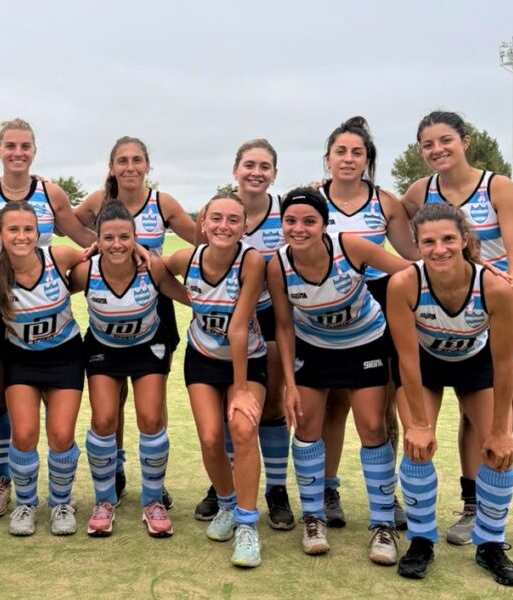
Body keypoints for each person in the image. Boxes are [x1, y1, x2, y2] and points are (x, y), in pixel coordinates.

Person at [402, 111, 513, 556]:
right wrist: (324, 190)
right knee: (470, 415)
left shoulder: (497, 187)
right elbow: (385, 207)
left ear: (465, 141)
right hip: (454, 316)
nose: (437, 150)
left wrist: (500, 291)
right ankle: (472, 506)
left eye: (445, 140)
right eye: (428, 144)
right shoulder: (421, 191)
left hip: (505, 307)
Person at [0, 118, 96, 520]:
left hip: (43, 300)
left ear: (34, 150)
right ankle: (2, 483)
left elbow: (81, 238)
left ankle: (57, 494)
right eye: (10, 146)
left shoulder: (51, 192)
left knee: (51, 416)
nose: (18, 152)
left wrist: (123, 248)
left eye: (25, 146)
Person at [266, 188, 412, 563]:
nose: (299, 228)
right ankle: (314, 519)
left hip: (365, 343)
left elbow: (408, 272)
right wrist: (289, 384)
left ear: (324, 224)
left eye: (309, 221)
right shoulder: (278, 264)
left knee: (373, 427)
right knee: (307, 428)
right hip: (314, 348)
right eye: (290, 221)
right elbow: (284, 326)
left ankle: (383, 524)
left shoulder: (350, 246)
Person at [388, 202, 513, 586]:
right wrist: (418, 424)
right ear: (417, 245)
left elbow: (504, 365)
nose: (439, 249)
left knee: (498, 451)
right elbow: (407, 360)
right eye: (428, 242)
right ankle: (421, 540)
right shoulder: (404, 284)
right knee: (417, 446)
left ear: (464, 239)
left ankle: (490, 544)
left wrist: (501, 429)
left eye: (448, 239)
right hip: (425, 365)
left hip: (475, 365)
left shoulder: (494, 287)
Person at [75, 136, 195, 506]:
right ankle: (116, 465)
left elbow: (201, 239)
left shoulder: (162, 202)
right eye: (123, 161)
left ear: (147, 166)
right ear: (112, 167)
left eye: (137, 160)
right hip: (109, 299)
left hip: (153, 301)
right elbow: (66, 224)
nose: (130, 167)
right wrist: (98, 245)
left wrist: (152, 257)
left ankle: (155, 478)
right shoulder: (98, 201)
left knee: (151, 397)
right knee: (112, 398)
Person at [317, 117, 417, 531]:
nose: (348, 158)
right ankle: (327, 490)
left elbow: (411, 257)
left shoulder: (385, 203)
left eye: (357, 152)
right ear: (328, 158)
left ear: (368, 160)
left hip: (378, 304)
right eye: (340, 151)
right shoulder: (312, 199)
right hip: (323, 305)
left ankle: (385, 492)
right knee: (332, 402)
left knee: (382, 405)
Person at [69, 201, 189, 537]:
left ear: (136, 239)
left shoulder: (152, 268)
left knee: (151, 419)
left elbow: (188, 297)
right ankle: (104, 501)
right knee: (103, 420)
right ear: (97, 240)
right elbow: (49, 289)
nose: (117, 244)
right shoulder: (86, 271)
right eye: (108, 237)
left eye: (125, 237)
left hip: (147, 347)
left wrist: (238, 310)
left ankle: (153, 501)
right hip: (103, 349)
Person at [194, 139, 297, 529]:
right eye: (249, 165)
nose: (256, 172)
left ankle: (276, 488)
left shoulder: (284, 211)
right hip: (224, 319)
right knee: (225, 410)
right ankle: (225, 485)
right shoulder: (218, 211)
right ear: (235, 169)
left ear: (274, 173)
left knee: (266, 407)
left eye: (264, 166)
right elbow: (196, 271)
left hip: (268, 313)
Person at [164, 194, 267, 568]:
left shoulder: (251, 261)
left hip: (247, 360)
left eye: (234, 220)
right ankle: (227, 503)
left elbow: (238, 328)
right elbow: (158, 272)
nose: (224, 226)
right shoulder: (187, 259)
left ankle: (247, 524)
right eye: (217, 218)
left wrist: (240, 389)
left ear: (245, 227)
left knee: (242, 430)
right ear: (203, 223)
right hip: (202, 357)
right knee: (209, 438)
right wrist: (189, 299)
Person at [0, 201, 87, 537]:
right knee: (24, 435)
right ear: (0, 234)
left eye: (28, 229)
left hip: (65, 356)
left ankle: (61, 502)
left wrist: (137, 250)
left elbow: (99, 258)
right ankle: (25, 503)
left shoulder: (59, 257)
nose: (21, 236)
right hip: (21, 358)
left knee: (61, 435)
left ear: (38, 233)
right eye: (13, 229)